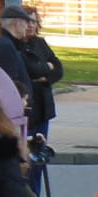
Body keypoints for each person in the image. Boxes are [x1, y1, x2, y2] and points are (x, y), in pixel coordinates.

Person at [21, 8, 66, 144]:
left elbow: (58, 69)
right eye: (27, 21)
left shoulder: (40, 43)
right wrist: (47, 67)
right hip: (29, 103)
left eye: (33, 21)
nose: (30, 25)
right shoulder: (18, 46)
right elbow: (32, 69)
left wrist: (46, 77)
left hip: (44, 105)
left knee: (41, 144)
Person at [0, 4, 37, 109]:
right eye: (26, 22)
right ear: (17, 23)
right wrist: (20, 99)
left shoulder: (7, 43)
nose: (27, 27)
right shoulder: (5, 46)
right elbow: (9, 80)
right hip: (11, 108)